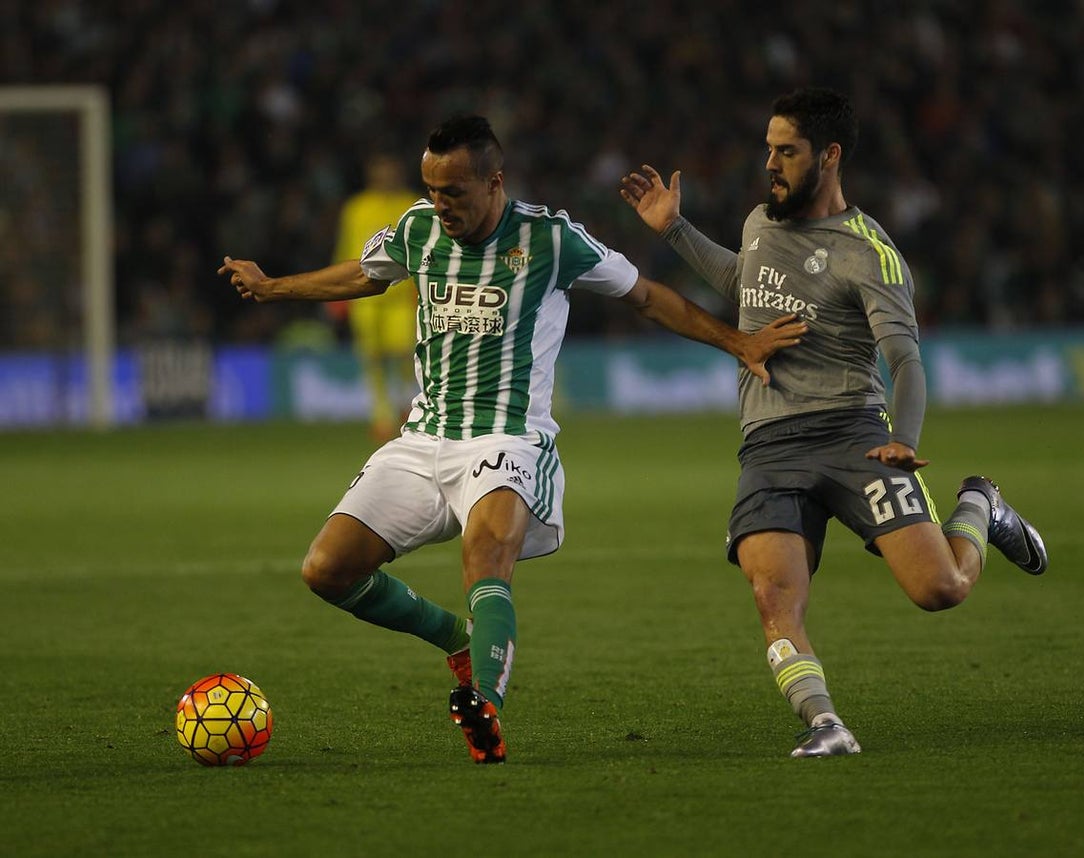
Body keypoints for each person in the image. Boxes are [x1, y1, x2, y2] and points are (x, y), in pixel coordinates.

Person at [219, 114, 807, 764]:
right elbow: (365, 273)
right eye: (432, 190)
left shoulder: (552, 240)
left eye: (455, 193)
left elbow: (646, 297)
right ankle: (459, 643)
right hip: (424, 437)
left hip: (509, 439)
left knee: (486, 555)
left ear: (494, 182)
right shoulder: (419, 229)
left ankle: (485, 705)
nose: (441, 205)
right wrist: (274, 288)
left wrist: (738, 342)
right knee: (326, 570)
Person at [620, 87, 1048, 758]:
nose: (772, 164)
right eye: (769, 149)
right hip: (769, 447)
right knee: (774, 601)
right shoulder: (760, 223)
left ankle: (979, 505)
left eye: (786, 151)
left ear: (830, 155)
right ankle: (826, 725)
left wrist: (904, 437)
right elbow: (743, 283)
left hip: (853, 435)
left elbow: (905, 357)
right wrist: (675, 229)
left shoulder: (868, 252)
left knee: (940, 589)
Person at [329, 153, 419, 440]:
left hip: (401, 293)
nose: (386, 177)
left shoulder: (413, 204)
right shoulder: (356, 208)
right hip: (364, 294)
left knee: (407, 351)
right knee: (373, 357)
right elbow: (346, 249)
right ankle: (381, 415)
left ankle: (406, 403)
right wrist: (338, 293)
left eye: (391, 171)